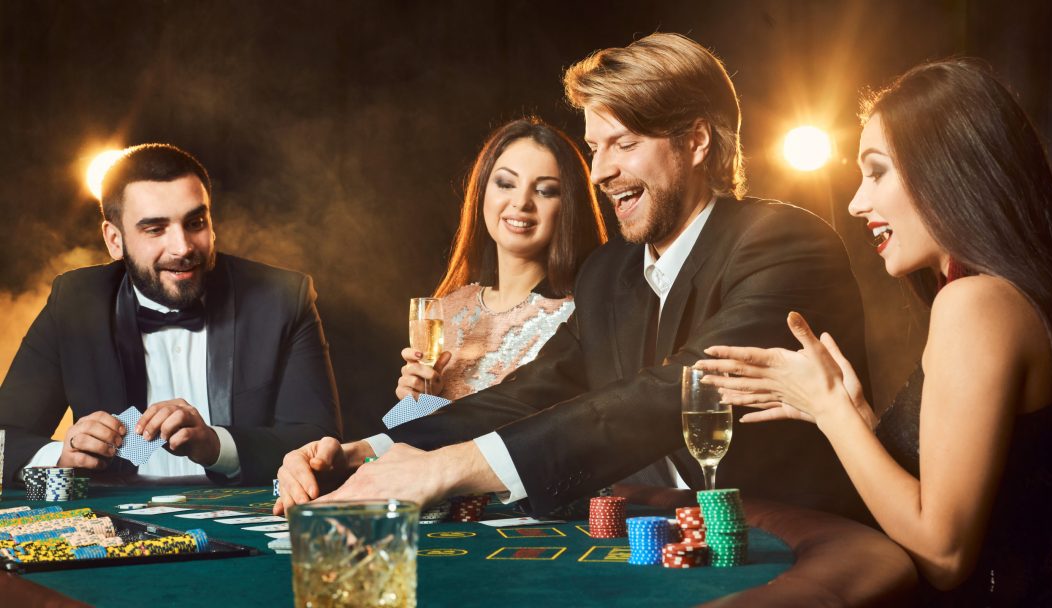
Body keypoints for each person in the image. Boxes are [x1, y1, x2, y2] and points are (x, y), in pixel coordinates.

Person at [274, 33, 870, 522]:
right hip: (651, 538)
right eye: (594, 146)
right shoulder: (609, 272)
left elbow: (675, 393)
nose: (603, 171)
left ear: (694, 141)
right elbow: (532, 391)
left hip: (788, 540)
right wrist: (366, 452)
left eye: (625, 144)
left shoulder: (784, 243)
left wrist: (445, 468)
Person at [697, 60, 1052, 605]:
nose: (856, 202)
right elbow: (965, 490)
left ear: (948, 169)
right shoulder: (1010, 297)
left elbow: (944, 556)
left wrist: (830, 410)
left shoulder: (975, 303)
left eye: (875, 171)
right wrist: (858, 418)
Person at [0, 143, 342, 485]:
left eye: (195, 222)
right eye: (155, 229)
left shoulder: (281, 297)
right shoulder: (75, 302)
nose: (183, 247)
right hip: (119, 526)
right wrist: (61, 456)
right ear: (114, 240)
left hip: (250, 516)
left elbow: (320, 442)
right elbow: (5, 436)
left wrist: (216, 445)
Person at [394, 117, 607, 402]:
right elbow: (410, 437)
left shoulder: (577, 319)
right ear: (482, 190)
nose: (521, 202)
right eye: (506, 184)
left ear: (568, 206)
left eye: (545, 191)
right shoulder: (449, 308)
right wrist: (416, 402)